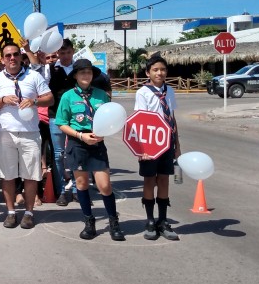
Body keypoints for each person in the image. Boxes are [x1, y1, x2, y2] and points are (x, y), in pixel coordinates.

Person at [54, 59, 124, 241]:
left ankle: (113, 222)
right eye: (82, 72)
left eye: (89, 72)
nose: (86, 75)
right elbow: (61, 123)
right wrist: (80, 136)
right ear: (75, 76)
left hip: (98, 142)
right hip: (78, 142)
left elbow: (110, 118)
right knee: (82, 184)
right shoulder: (67, 96)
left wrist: (103, 134)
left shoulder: (102, 95)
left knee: (105, 186)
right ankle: (89, 221)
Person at [0, 41, 53, 229]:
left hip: (30, 133)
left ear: (20, 55)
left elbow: (50, 99)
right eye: (8, 55)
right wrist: (2, 100)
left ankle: (29, 212)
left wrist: (33, 101)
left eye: (15, 54)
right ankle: (10, 212)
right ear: (3, 59)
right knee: (8, 176)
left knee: (30, 175)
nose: (12, 58)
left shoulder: (33, 76)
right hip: (5, 133)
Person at [135, 54, 181, 241]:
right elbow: (140, 121)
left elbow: (172, 117)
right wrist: (141, 148)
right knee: (149, 181)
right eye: (155, 70)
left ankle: (163, 220)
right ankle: (150, 221)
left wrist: (177, 144)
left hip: (167, 142)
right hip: (150, 144)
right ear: (148, 72)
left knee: (164, 180)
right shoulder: (143, 93)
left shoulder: (169, 91)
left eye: (162, 69)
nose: (159, 73)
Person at [45, 39, 77, 206]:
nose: (65, 56)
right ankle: (62, 190)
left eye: (68, 52)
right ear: (57, 53)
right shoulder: (50, 69)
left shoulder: (79, 68)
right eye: (61, 53)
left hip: (76, 117)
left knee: (76, 152)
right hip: (55, 116)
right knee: (59, 155)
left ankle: (77, 189)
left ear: (73, 51)